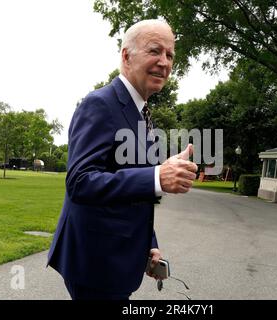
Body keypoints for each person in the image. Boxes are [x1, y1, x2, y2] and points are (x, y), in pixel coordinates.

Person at [47, 19, 198, 300]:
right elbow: (80, 182)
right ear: (126, 56)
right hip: (96, 264)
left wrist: (149, 244)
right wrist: (157, 176)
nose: (164, 62)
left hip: (121, 259)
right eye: (155, 51)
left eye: (170, 55)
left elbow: (132, 190)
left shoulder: (141, 113)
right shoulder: (100, 104)